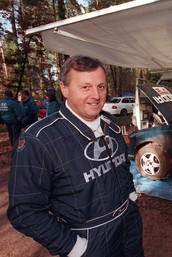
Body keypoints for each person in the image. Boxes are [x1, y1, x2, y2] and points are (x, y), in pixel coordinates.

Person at [8, 56, 144, 257]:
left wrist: (129, 194)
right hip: (90, 240)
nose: (96, 95)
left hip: (129, 223)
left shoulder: (109, 122)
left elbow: (122, 163)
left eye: (101, 86)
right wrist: (73, 246)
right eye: (85, 87)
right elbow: (23, 210)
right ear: (64, 89)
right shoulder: (39, 139)